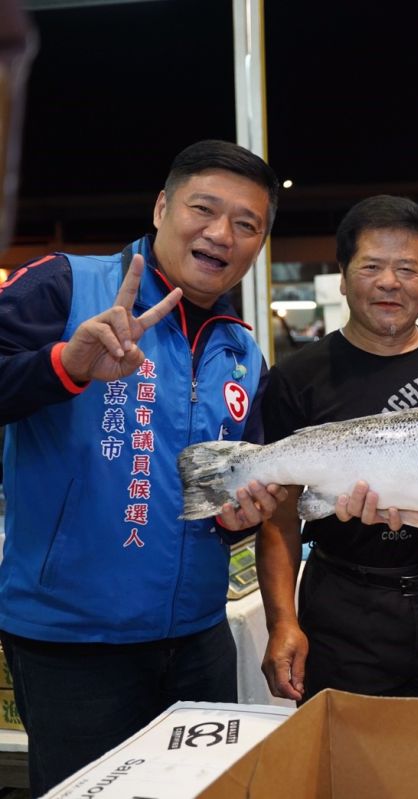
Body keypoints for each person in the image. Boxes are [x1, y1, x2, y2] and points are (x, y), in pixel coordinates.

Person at [0, 139, 285, 794]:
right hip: (72, 644)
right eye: (204, 209)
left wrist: (241, 517)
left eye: (247, 224)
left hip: (199, 639)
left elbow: (234, 493)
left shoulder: (243, 351)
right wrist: (64, 366)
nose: (222, 234)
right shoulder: (66, 285)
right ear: (161, 208)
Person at [256, 195, 418, 704]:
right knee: (347, 749)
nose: (389, 282)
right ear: (342, 276)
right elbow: (279, 518)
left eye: (407, 268)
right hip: (346, 612)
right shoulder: (297, 378)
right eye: (371, 266)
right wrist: (282, 622)